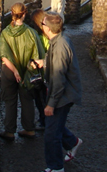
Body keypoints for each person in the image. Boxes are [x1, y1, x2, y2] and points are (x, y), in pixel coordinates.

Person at [32, 12, 82, 172]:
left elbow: (59, 80)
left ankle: (56, 167)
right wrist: (44, 63)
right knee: (55, 126)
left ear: (48, 28)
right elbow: (56, 62)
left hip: (62, 96)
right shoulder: (59, 40)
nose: (42, 27)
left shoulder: (59, 46)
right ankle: (73, 142)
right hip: (65, 93)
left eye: (43, 24)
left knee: (51, 134)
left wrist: (50, 104)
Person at [0, 3, 46, 140]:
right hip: (28, 71)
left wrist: (14, 71)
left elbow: (4, 56)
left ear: (11, 14)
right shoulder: (31, 33)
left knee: (10, 100)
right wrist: (27, 72)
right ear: (24, 14)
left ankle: (9, 131)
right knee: (27, 99)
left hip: (9, 71)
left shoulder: (5, 33)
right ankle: (29, 129)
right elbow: (38, 54)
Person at [30, 9, 50, 129]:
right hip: (48, 71)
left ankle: (44, 121)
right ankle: (46, 120)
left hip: (40, 71)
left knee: (40, 98)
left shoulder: (35, 36)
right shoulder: (48, 35)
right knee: (46, 97)